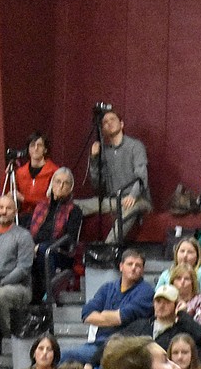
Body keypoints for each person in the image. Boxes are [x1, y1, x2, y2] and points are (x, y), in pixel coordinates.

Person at [60, 248, 154, 368]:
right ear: (121, 266)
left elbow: (120, 317)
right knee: (62, 357)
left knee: (70, 357)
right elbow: (86, 314)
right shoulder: (108, 288)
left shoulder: (146, 291)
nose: (134, 268)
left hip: (125, 348)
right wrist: (111, 317)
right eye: (130, 264)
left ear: (143, 270)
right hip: (99, 344)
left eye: (138, 265)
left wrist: (102, 315)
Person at [78, 107, 151, 243]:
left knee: (128, 209)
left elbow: (142, 176)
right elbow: (97, 184)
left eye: (112, 119)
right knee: (76, 205)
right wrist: (94, 159)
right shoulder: (104, 151)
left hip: (138, 199)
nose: (109, 123)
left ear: (121, 124)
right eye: (105, 122)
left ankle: (108, 247)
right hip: (113, 200)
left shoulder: (135, 146)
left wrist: (133, 195)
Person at [0, 194, 36, 343]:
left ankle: (11, 340)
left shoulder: (23, 236)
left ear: (15, 212)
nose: (4, 211)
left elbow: (24, 268)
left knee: (0, 295)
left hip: (18, 288)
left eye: (8, 208)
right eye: (0, 208)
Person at [28, 167, 83, 303]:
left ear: (70, 188)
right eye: (58, 182)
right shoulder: (40, 206)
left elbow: (69, 239)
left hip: (60, 252)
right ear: (52, 184)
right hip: (35, 248)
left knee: (44, 251)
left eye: (66, 183)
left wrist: (40, 246)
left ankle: (49, 294)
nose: (61, 186)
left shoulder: (74, 210)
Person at [123, 283, 201, 351]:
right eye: (158, 301)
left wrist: (182, 313)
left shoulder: (181, 330)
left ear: (176, 305)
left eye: (167, 302)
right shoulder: (140, 325)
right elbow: (117, 342)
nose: (161, 306)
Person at [12, 131, 60, 218]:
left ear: (45, 150)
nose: (36, 148)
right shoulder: (20, 172)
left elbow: (53, 201)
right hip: (23, 217)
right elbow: (9, 192)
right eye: (32, 145)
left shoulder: (54, 172)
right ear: (28, 149)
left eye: (40, 145)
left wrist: (25, 199)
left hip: (44, 217)